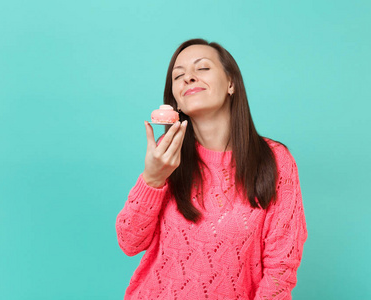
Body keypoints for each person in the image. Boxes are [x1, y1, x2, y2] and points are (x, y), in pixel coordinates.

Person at [116, 38, 308, 299]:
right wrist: (152, 179)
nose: (189, 78)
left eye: (202, 68)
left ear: (231, 83)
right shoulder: (167, 153)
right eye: (178, 75)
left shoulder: (275, 160)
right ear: (175, 100)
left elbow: (281, 269)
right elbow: (129, 242)